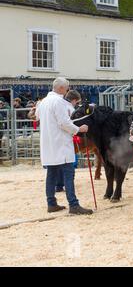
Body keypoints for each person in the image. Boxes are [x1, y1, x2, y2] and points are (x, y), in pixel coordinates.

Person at [35, 78, 93, 215]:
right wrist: (79, 129)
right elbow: (64, 123)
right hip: (60, 143)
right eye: (66, 88)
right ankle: (73, 205)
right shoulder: (59, 102)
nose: (67, 91)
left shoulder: (43, 102)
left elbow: (37, 117)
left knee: (51, 174)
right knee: (68, 173)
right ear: (61, 88)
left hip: (48, 143)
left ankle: (51, 203)